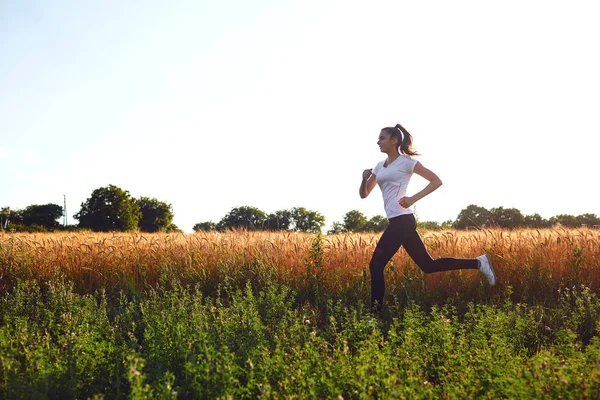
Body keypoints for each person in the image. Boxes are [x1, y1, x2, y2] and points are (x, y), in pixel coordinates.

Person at [360, 123, 495, 312]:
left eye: (382, 138)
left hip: (403, 220)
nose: (378, 142)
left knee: (376, 264)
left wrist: (413, 198)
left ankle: (374, 314)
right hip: (397, 221)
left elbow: (436, 181)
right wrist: (363, 179)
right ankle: (479, 263)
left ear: (394, 140)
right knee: (428, 265)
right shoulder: (379, 166)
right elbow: (364, 194)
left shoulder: (406, 162)